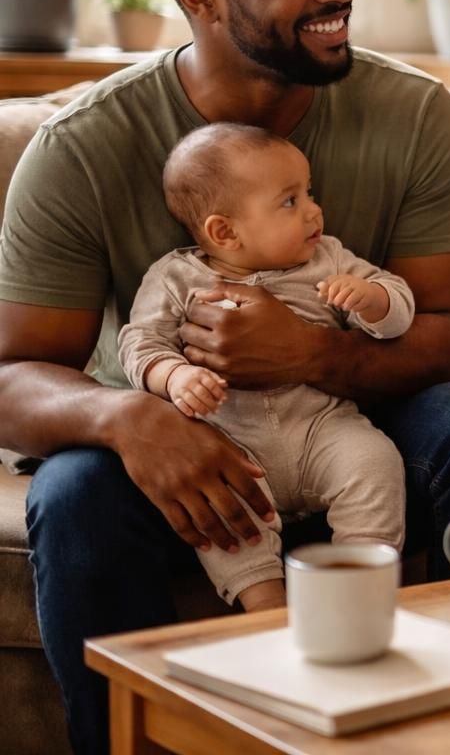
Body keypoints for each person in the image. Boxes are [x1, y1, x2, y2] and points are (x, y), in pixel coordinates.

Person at [0, 0, 450, 755]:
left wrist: (310, 355)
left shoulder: (412, 115)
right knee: (73, 491)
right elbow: (13, 375)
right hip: (191, 453)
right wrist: (129, 420)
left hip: (354, 432)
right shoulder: (83, 147)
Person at [121, 124, 416, 612]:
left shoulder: (328, 259)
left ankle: (357, 588)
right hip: (230, 442)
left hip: (322, 427)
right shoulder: (176, 278)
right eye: (290, 201)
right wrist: (174, 376)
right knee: (218, 503)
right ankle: (264, 605)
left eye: (309, 192)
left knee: (373, 461)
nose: (314, 210)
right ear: (224, 231)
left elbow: (400, 304)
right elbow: (139, 342)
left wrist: (375, 300)